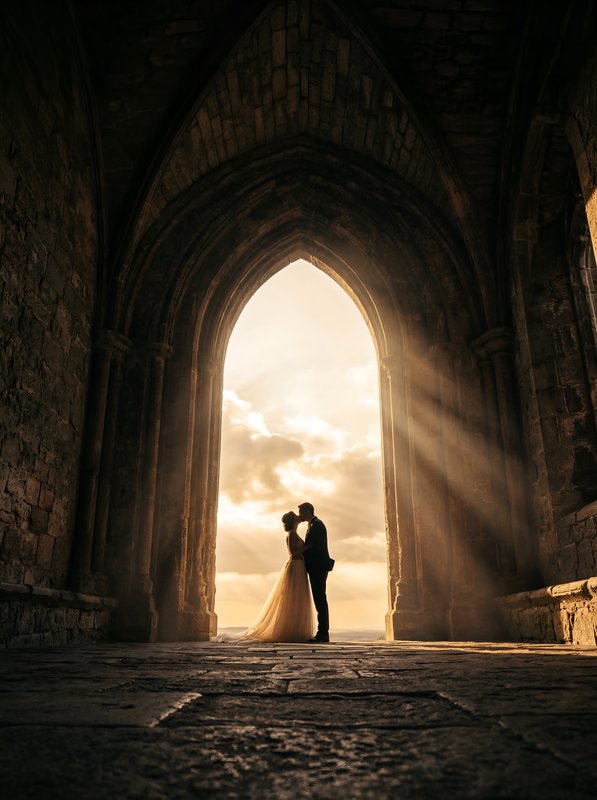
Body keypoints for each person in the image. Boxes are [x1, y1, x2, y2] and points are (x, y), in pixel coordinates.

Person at [217, 511, 314, 643]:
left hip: (300, 566)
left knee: (297, 598)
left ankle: (294, 627)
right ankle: (289, 630)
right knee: (293, 597)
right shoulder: (291, 534)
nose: (299, 517)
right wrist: (307, 547)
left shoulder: (294, 533)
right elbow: (293, 552)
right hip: (296, 565)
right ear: (293, 521)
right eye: (296, 516)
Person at [298, 501, 332, 643]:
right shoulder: (313, 524)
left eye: (301, 512)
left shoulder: (317, 525)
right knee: (319, 598)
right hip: (317, 566)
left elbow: (312, 545)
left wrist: (298, 552)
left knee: (320, 599)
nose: (300, 515)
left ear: (308, 511)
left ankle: (323, 633)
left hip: (318, 566)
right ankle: (322, 632)